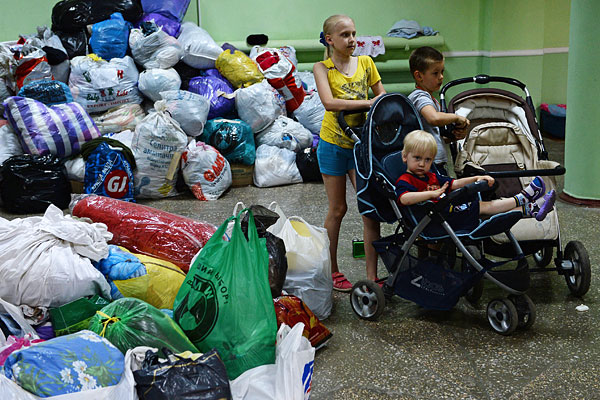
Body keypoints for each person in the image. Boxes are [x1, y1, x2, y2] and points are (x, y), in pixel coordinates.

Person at [313, 14, 386, 291]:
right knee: (338, 209)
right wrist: (368, 102)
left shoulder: (366, 63)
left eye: (354, 33)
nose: (352, 39)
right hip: (332, 144)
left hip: (360, 146)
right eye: (345, 35)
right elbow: (330, 103)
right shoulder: (322, 68)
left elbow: (382, 96)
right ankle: (332, 271)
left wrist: (375, 102)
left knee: (369, 209)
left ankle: (372, 276)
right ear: (330, 39)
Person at [395, 130, 556, 221]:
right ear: (404, 157)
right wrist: (432, 194)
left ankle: (530, 208)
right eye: (417, 158)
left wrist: (476, 179)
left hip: (452, 211)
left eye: (428, 160)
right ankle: (522, 198)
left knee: (488, 208)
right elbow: (404, 198)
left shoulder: (432, 176)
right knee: (487, 207)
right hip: (440, 218)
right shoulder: (405, 180)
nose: (422, 164)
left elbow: (455, 183)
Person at [408, 46, 470, 175]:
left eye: (442, 72)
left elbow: (435, 135)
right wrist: (456, 117)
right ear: (419, 76)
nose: (441, 77)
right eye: (435, 73)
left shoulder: (431, 100)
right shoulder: (419, 96)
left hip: (435, 162)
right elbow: (433, 118)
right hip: (426, 164)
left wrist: (453, 137)